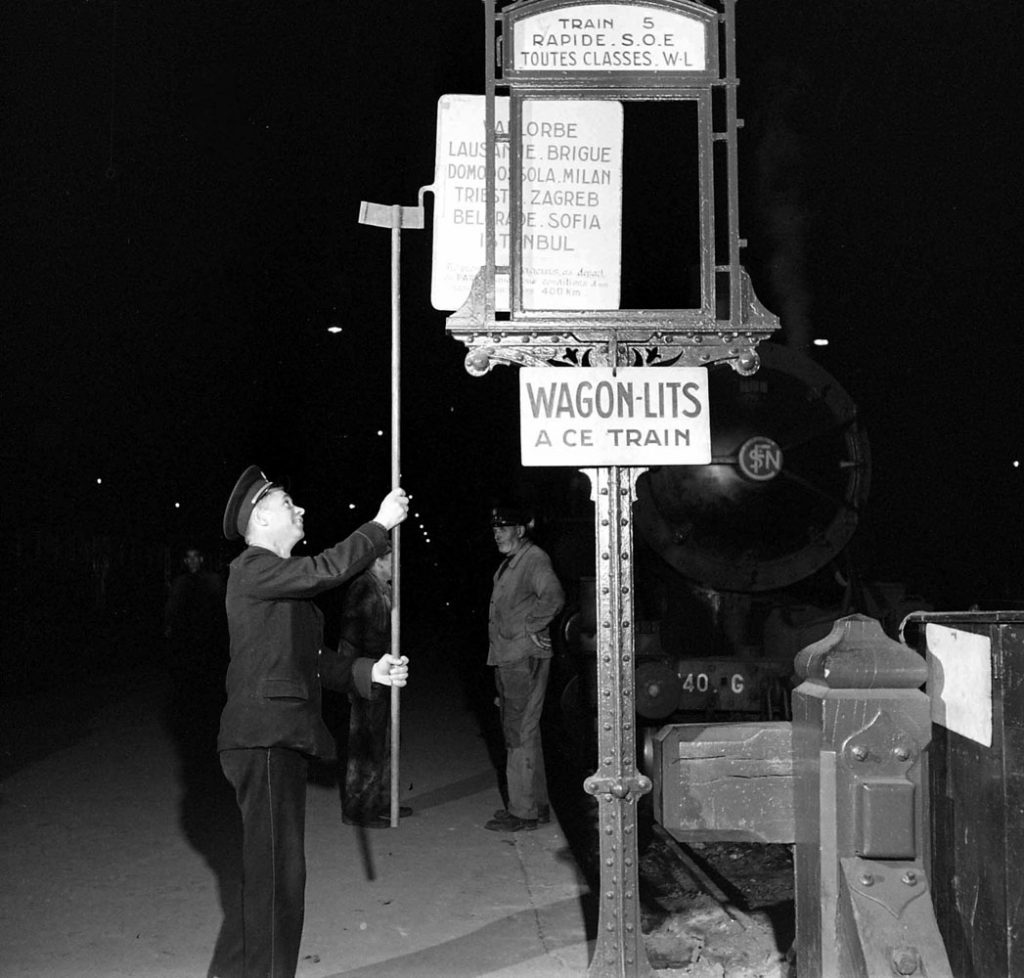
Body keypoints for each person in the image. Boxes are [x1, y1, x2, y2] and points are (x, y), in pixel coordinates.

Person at [217, 465, 409, 978]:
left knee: (277, 876)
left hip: (280, 740)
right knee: (278, 880)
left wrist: (371, 670)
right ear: (259, 518)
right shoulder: (252, 568)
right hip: (264, 738)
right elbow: (325, 569)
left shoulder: (281, 586)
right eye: (287, 503)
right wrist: (377, 526)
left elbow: (315, 662)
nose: (300, 510)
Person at [484, 505, 565, 832]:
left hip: (522, 657)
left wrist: (532, 626)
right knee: (524, 730)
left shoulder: (533, 560)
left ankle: (523, 812)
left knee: (519, 731)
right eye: (495, 528)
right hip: (509, 656)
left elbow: (554, 597)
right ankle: (536, 805)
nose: (497, 533)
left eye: (504, 527)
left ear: (521, 530)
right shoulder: (513, 563)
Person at [337, 546, 412, 827]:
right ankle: (359, 809)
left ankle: (381, 800)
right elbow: (353, 636)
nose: (398, 565)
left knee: (383, 741)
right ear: (378, 560)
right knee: (366, 745)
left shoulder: (383, 588)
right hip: (367, 676)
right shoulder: (363, 588)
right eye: (394, 559)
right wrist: (354, 677)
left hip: (382, 675)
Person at [164, 545, 227, 683]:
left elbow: (221, 606)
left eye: (195, 557)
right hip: (186, 635)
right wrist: (169, 625)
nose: (192, 561)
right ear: (185, 561)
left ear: (201, 559)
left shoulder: (213, 580)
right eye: (189, 558)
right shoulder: (180, 582)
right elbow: (172, 606)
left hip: (208, 634)